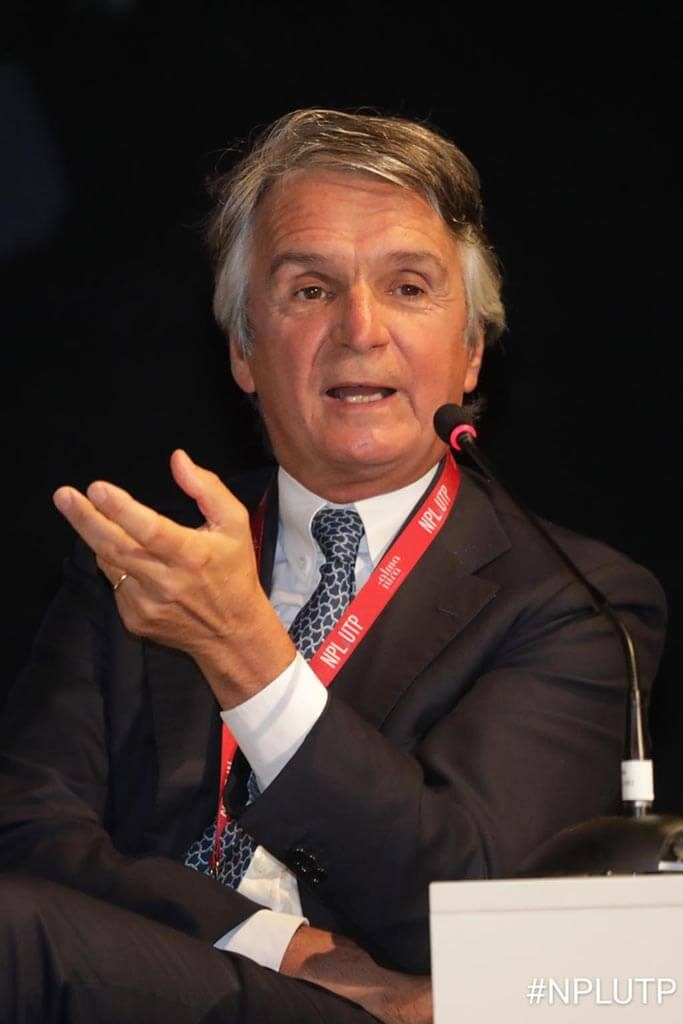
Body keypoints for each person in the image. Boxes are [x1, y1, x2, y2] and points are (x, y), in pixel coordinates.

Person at [0, 109, 666, 1023]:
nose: (359, 328)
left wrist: (247, 655)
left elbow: (468, 911)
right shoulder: (152, 559)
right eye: (310, 289)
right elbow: (25, 830)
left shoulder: (574, 602)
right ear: (242, 350)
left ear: (471, 350)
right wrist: (267, 943)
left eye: (407, 287)